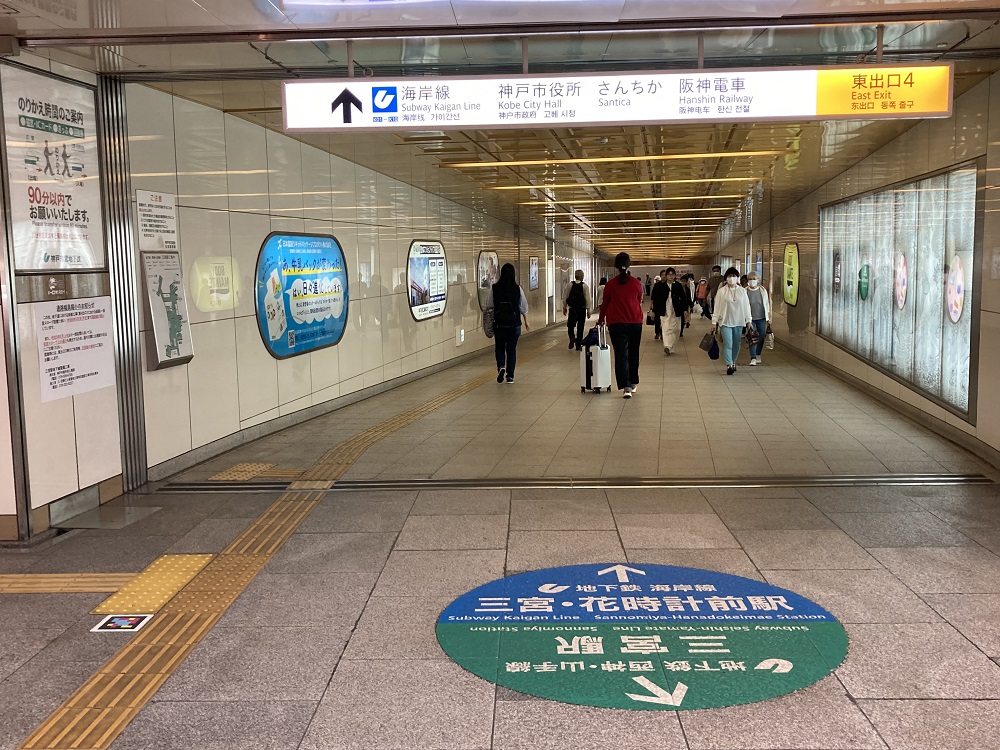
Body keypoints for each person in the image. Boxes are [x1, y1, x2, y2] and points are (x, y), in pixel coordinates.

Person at [598, 252, 644, 398]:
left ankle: (626, 387)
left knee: (621, 355)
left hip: (616, 324)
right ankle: (633, 382)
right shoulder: (636, 283)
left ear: (615, 266)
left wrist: (600, 320)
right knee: (633, 353)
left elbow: (604, 304)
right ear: (628, 265)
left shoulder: (610, 284)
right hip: (635, 322)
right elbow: (638, 300)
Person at [487, 263, 529, 384]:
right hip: (514, 324)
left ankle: (501, 367)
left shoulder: (494, 288)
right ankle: (510, 376)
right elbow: (523, 306)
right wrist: (526, 321)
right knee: (511, 350)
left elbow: (489, 305)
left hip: (499, 324)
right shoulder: (517, 288)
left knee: (499, 348)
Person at [711, 267, 752, 376]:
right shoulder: (721, 292)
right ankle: (729, 364)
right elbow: (717, 307)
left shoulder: (742, 291)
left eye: (734, 276)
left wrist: (749, 320)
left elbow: (746, 306)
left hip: (739, 321)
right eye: (729, 276)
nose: (732, 278)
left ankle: (733, 361)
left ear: (737, 278)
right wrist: (714, 322)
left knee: (736, 344)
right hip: (725, 321)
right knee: (728, 343)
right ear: (726, 278)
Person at [650, 267, 690, 355]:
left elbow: (683, 299)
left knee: (677, 329)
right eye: (669, 275)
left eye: (673, 274)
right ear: (666, 276)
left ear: (675, 276)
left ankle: (671, 346)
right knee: (666, 328)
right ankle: (667, 346)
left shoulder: (678, 286)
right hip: (664, 310)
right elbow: (656, 300)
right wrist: (653, 311)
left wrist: (685, 309)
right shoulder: (661, 286)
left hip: (676, 310)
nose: (671, 276)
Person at [745, 271, 771, 366]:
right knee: (752, 336)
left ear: (758, 280)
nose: (752, 281)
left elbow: (767, 305)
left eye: (754, 279)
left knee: (761, 336)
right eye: (750, 279)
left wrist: (768, 318)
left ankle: (758, 353)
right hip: (750, 318)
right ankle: (753, 357)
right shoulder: (745, 291)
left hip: (761, 317)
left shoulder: (762, 290)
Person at [562, 269, 592, 351]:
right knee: (580, 326)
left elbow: (565, 296)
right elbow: (587, 299)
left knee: (570, 325)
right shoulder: (584, 286)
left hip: (572, 309)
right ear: (582, 276)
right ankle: (578, 344)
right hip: (581, 309)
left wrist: (564, 307)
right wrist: (588, 310)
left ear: (575, 276)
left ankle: (572, 337)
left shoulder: (570, 285)